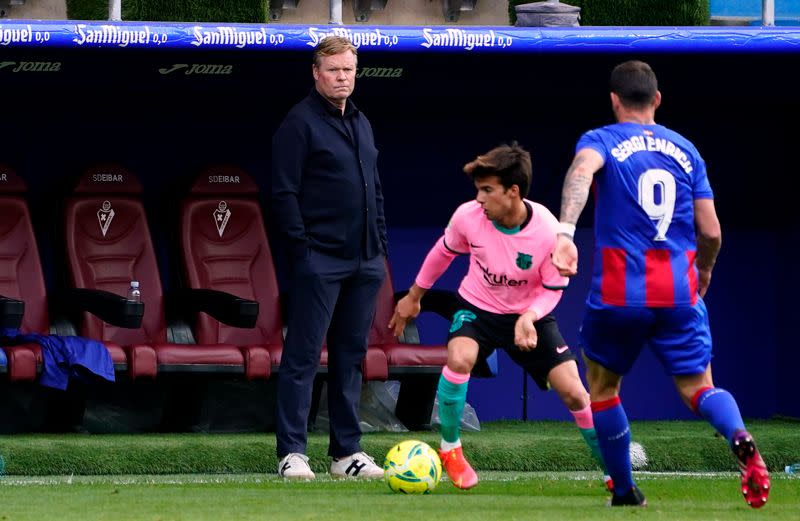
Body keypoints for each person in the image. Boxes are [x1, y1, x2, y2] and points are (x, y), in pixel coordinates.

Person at [551, 60, 770, 508]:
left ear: (614, 100)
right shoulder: (687, 150)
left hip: (619, 293)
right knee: (699, 388)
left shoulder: (601, 140)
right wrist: (704, 271)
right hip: (678, 292)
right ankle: (740, 435)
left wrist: (565, 234)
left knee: (604, 390)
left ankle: (626, 491)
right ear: (657, 100)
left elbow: (580, 172)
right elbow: (711, 232)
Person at [390, 143, 612, 490]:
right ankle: (450, 449)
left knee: (575, 394)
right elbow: (442, 253)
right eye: (478, 189)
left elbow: (553, 289)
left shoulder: (548, 232)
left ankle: (613, 471)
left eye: (487, 190)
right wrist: (415, 296)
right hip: (476, 308)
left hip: (529, 315)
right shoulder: (468, 217)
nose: (479, 198)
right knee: (460, 357)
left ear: (513, 192)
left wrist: (529, 316)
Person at [271, 35, 388, 480]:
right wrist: (302, 252)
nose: (343, 78)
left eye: (349, 70)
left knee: (349, 356)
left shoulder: (361, 121)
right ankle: (292, 453)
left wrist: (379, 247)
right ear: (316, 74)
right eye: (335, 70)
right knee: (302, 356)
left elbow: (373, 187)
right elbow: (283, 193)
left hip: (364, 261)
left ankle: (346, 454)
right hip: (319, 260)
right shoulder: (298, 123)